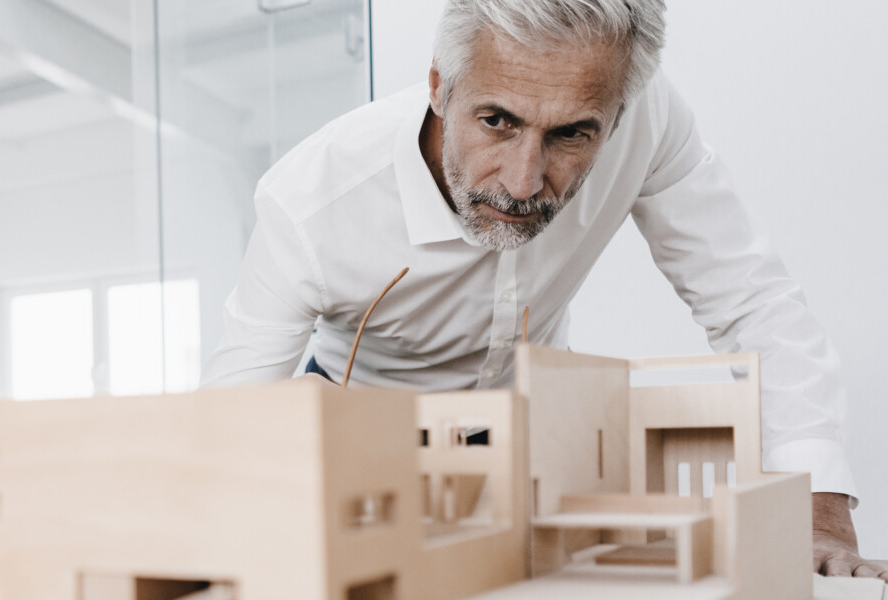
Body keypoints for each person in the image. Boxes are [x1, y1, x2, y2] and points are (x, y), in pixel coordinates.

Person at [201, 0, 881, 579]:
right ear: (440, 86)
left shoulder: (648, 120)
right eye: (497, 121)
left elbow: (752, 300)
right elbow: (220, 429)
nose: (523, 183)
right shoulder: (311, 201)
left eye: (571, 135)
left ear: (616, 117)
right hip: (361, 465)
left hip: (527, 454)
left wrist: (821, 503)